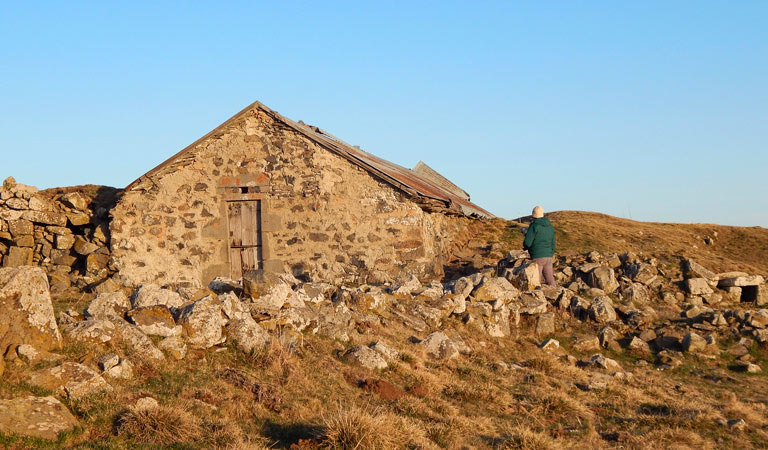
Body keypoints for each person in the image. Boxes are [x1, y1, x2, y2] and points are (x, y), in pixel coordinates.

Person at [522, 205, 556, 286]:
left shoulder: (534, 226)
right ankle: (558, 296)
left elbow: (527, 242)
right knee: (550, 280)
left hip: (537, 256)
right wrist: (550, 253)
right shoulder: (550, 227)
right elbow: (553, 243)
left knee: (536, 281)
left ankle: (538, 297)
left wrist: (525, 247)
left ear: (533, 215)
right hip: (548, 256)